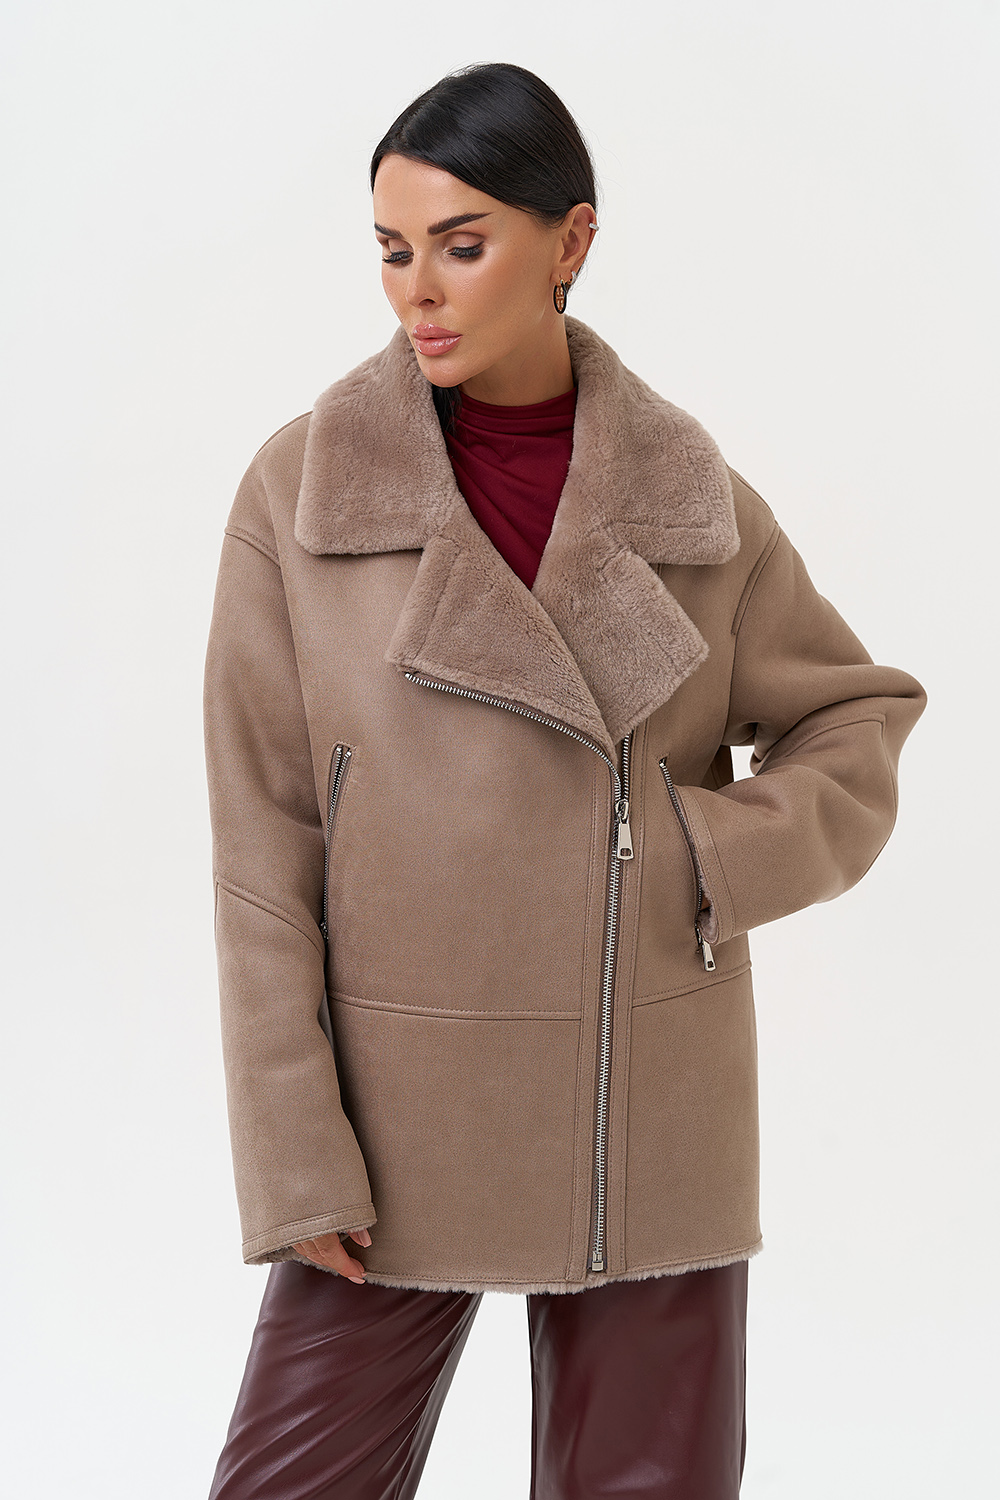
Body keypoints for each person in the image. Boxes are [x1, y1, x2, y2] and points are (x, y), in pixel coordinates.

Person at [202, 62, 926, 1500]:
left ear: (570, 241)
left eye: (462, 244)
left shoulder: (689, 499)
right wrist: (293, 1156)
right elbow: (262, 850)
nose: (418, 292)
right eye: (393, 249)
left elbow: (857, 716)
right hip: (396, 1115)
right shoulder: (305, 494)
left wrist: (700, 858)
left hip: (641, 1100)